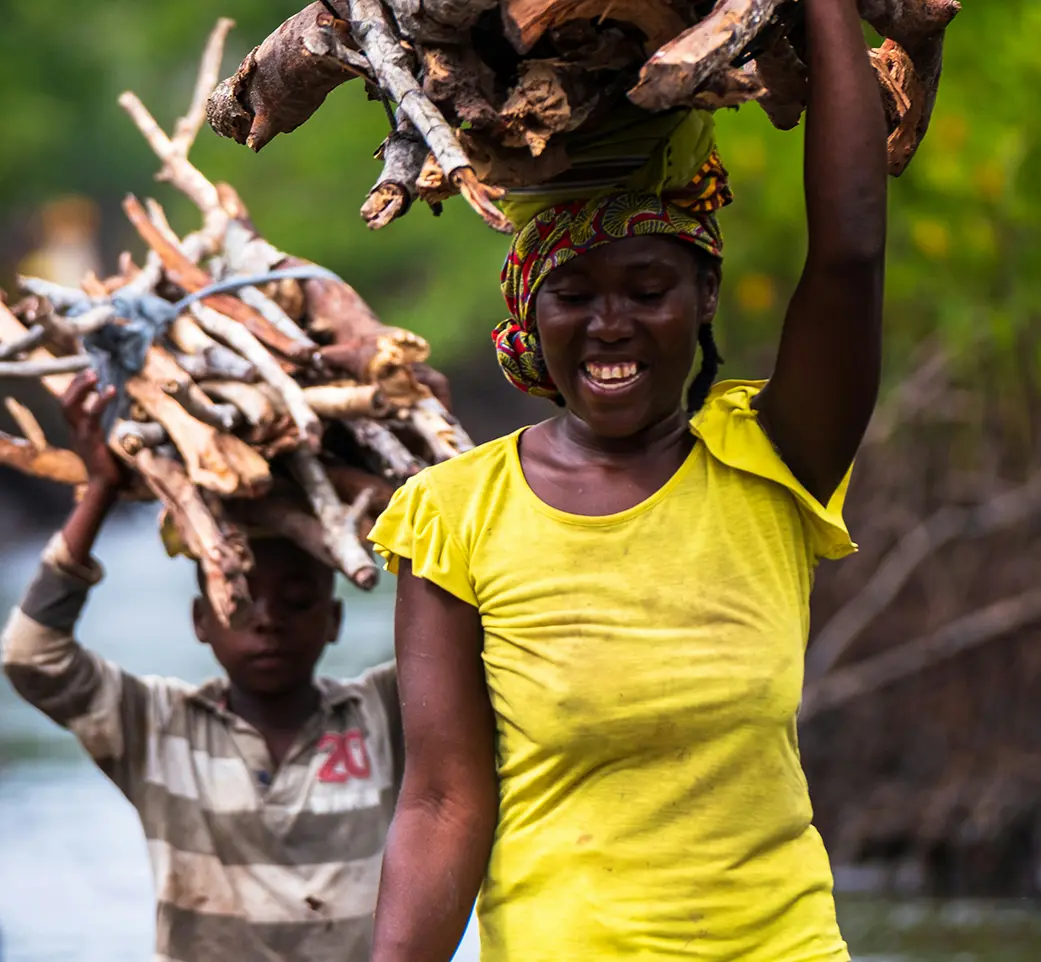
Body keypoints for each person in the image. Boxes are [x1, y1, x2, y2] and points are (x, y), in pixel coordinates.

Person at [366, 0, 887, 960]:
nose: (611, 325)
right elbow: (441, 802)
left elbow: (849, 258)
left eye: (648, 291)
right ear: (529, 313)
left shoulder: (772, 461)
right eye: (574, 294)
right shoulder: (451, 516)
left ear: (702, 301)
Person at [2, 371, 404, 962]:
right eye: (240, 599)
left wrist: (414, 498)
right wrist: (102, 489)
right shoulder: (158, 725)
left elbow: (486, 637)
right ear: (201, 619)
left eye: (297, 602)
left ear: (335, 622)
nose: (267, 620)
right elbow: (31, 655)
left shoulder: (382, 715)